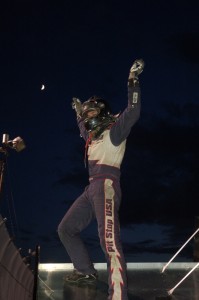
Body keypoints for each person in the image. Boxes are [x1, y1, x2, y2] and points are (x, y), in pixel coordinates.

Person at [58, 59, 144, 300]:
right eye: (86, 114)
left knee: (109, 241)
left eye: (91, 112)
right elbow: (82, 129)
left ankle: (118, 295)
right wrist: (77, 112)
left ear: (103, 112)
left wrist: (133, 82)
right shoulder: (92, 136)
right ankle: (85, 271)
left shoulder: (114, 130)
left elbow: (134, 111)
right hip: (91, 187)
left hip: (106, 184)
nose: (88, 116)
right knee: (66, 229)